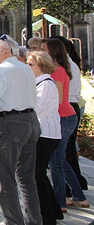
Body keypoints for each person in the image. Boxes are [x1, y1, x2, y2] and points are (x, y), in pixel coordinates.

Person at [0, 34, 42, 225]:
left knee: (5, 176)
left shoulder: (1, 70)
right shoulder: (25, 68)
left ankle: (14, 221)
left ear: (6, 51)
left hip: (11, 124)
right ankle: (35, 220)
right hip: (32, 121)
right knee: (27, 177)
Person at [41, 38, 89, 210]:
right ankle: (78, 197)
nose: (41, 52)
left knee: (57, 161)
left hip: (64, 117)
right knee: (60, 160)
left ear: (52, 52)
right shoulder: (57, 70)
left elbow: (59, 99)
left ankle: (60, 202)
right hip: (64, 117)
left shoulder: (58, 72)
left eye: (43, 49)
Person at [26, 51, 63, 224]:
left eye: (30, 64)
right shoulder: (38, 82)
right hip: (43, 133)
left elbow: (35, 108)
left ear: (41, 66)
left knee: (36, 174)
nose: (27, 67)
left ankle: (47, 216)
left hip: (46, 134)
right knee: (39, 174)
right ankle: (54, 211)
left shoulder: (46, 84)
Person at [51, 35, 88, 192]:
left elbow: (60, 96)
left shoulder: (63, 67)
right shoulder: (68, 64)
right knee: (68, 151)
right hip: (71, 106)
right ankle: (77, 185)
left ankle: (73, 186)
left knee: (65, 153)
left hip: (67, 107)